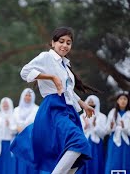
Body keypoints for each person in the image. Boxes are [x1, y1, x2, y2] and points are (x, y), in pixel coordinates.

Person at [10, 27, 98, 174]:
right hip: (54, 108)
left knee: (80, 153)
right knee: (78, 143)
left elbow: (68, 91)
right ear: (53, 43)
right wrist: (51, 77)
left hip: (69, 109)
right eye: (61, 41)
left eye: (68, 43)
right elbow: (24, 72)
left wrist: (83, 105)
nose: (65, 45)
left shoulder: (65, 64)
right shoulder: (46, 57)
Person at [78, 95, 107, 174]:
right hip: (84, 144)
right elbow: (78, 132)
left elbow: (103, 133)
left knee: (95, 162)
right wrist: (86, 126)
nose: (91, 105)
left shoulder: (102, 117)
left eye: (93, 103)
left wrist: (95, 126)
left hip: (96, 144)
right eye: (89, 103)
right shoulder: (81, 117)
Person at [13, 88, 39, 173]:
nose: (28, 97)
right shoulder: (16, 110)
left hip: (31, 138)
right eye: (26, 95)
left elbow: (38, 123)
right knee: (20, 159)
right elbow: (12, 123)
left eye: (29, 95)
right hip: (19, 137)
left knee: (30, 158)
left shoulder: (36, 109)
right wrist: (17, 128)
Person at [105, 93, 130, 173]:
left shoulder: (129, 114)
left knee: (125, 159)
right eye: (121, 99)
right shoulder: (112, 112)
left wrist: (124, 127)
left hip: (126, 141)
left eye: (125, 99)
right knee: (113, 159)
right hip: (114, 140)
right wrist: (111, 127)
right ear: (117, 101)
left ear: (128, 101)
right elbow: (107, 130)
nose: (123, 101)